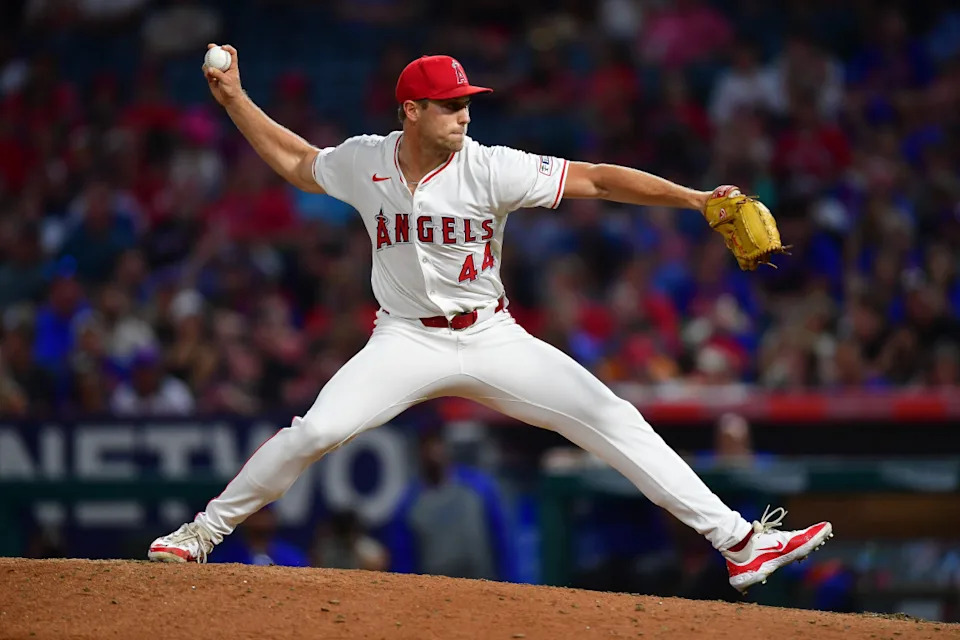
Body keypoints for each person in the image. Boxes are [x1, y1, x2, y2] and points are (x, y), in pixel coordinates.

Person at [147, 46, 832, 594]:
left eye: (468, 103)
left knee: (615, 416)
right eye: (450, 106)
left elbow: (594, 178)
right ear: (411, 111)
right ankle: (200, 534)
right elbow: (298, 161)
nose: (465, 116)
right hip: (405, 338)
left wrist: (693, 199)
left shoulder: (492, 167)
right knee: (317, 430)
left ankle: (740, 543)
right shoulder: (366, 161)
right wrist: (236, 99)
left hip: (492, 335)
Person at [388, 426, 516, 581]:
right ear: (419, 454)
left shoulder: (478, 487)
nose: (433, 453)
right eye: (427, 448)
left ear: (446, 448)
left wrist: (510, 582)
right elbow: (403, 557)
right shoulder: (410, 503)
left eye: (437, 445)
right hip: (436, 591)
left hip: (482, 584)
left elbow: (501, 539)